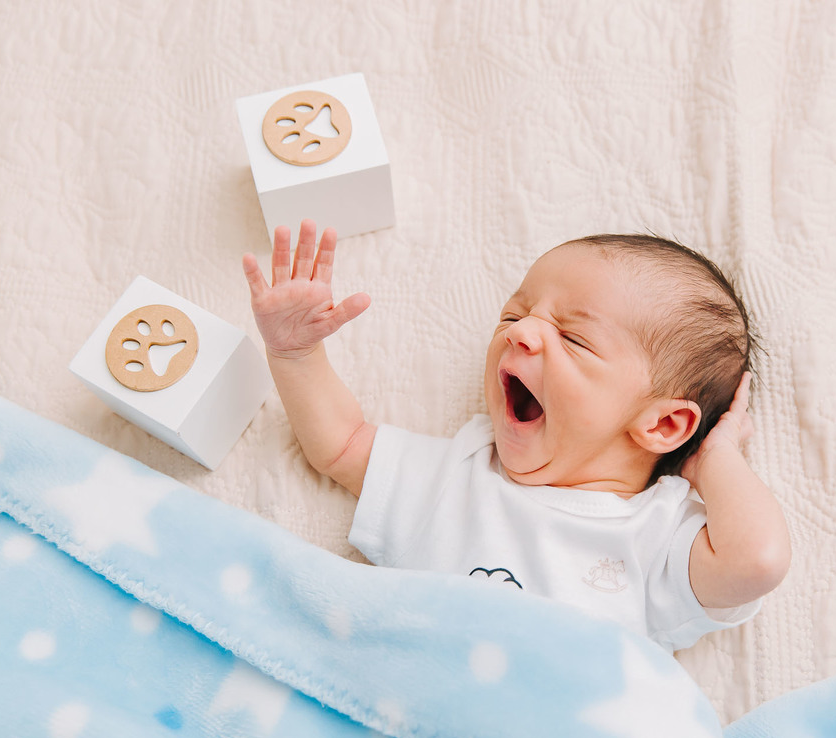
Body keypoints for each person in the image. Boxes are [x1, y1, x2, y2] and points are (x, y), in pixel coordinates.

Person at [242, 220, 790, 652]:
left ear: (664, 425)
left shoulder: (655, 538)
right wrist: (296, 355)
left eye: (573, 338)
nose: (521, 332)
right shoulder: (458, 475)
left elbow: (757, 561)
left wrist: (717, 456)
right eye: (515, 314)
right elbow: (340, 443)